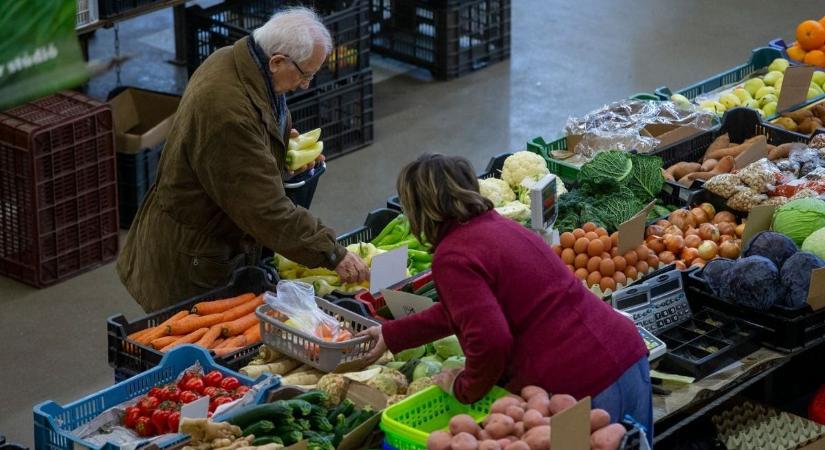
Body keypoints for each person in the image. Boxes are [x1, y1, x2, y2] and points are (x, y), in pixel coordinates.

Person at [360, 154, 653, 438]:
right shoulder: (502, 227)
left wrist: (465, 387)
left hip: (580, 384)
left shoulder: (453, 256)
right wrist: (392, 334)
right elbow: (462, 310)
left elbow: (491, 339)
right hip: (626, 353)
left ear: (421, 209)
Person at [116, 7, 368, 312]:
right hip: (196, 258)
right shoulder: (226, 111)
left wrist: (277, 147)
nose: (306, 85)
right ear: (277, 61)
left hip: (216, 238)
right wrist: (333, 253)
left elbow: (247, 140)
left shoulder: (239, 62)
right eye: (306, 75)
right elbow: (265, 209)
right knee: (193, 344)